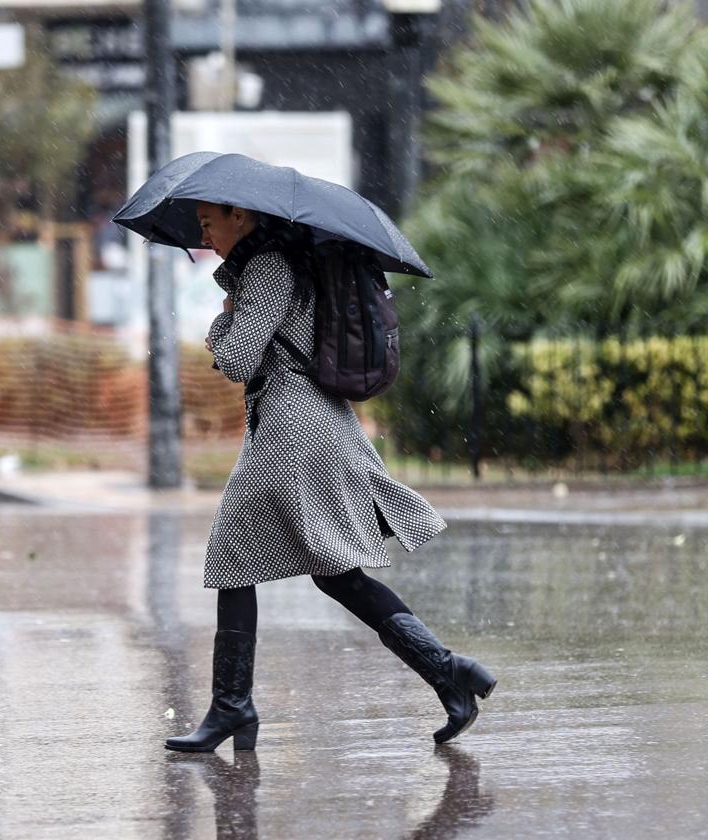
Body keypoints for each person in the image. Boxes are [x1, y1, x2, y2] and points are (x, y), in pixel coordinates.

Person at [165, 203, 496, 753]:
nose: (202, 230)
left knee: (239, 559)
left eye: (208, 220)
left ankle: (234, 707)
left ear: (240, 217)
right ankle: (447, 674)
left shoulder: (268, 266)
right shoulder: (278, 262)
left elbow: (241, 360)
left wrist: (224, 321)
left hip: (294, 434)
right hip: (300, 426)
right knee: (331, 574)